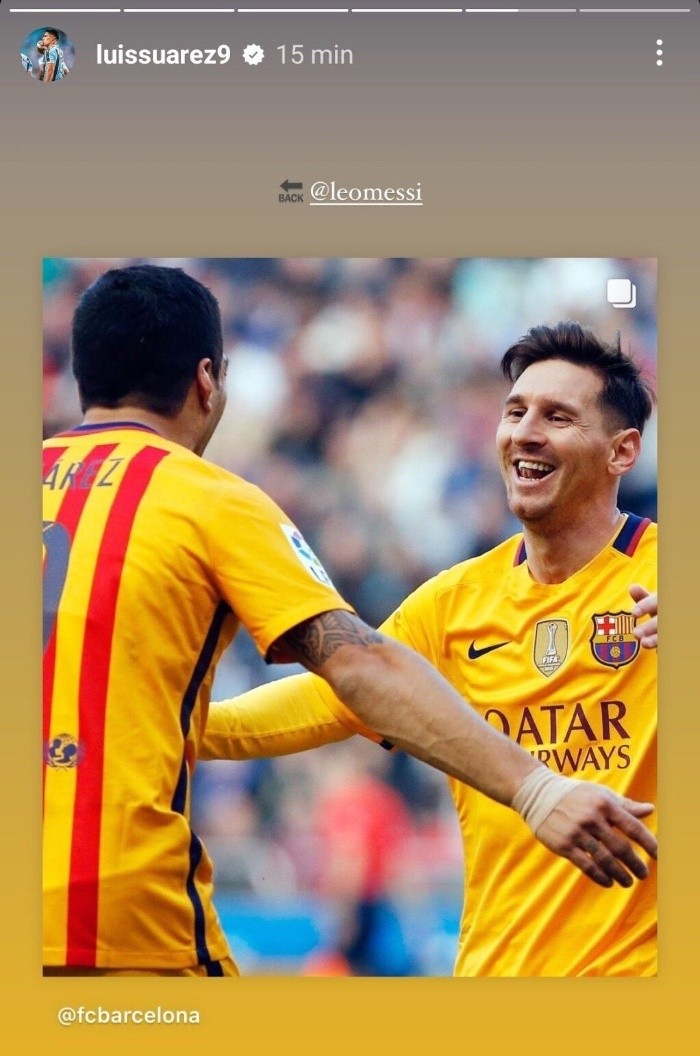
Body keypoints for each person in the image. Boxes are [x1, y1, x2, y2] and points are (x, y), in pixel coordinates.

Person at [203, 321, 658, 976]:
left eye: (558, 417)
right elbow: (326, 699)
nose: (525, 433)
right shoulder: (454, 601)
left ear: (622, 452)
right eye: (515, 412)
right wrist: (175, 724)